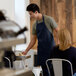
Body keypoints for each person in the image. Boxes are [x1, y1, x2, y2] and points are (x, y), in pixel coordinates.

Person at [22, 3, 58, 76]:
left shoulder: (49, 19)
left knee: (52, 71)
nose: (30, 16)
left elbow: (59, 32)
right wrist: (26, 51)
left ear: (36, 12)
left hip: (51, 50)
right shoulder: (35, 25)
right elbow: (33, 40)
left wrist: (58, 45)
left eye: (31, 14)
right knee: (44, 71)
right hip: (41, 51)